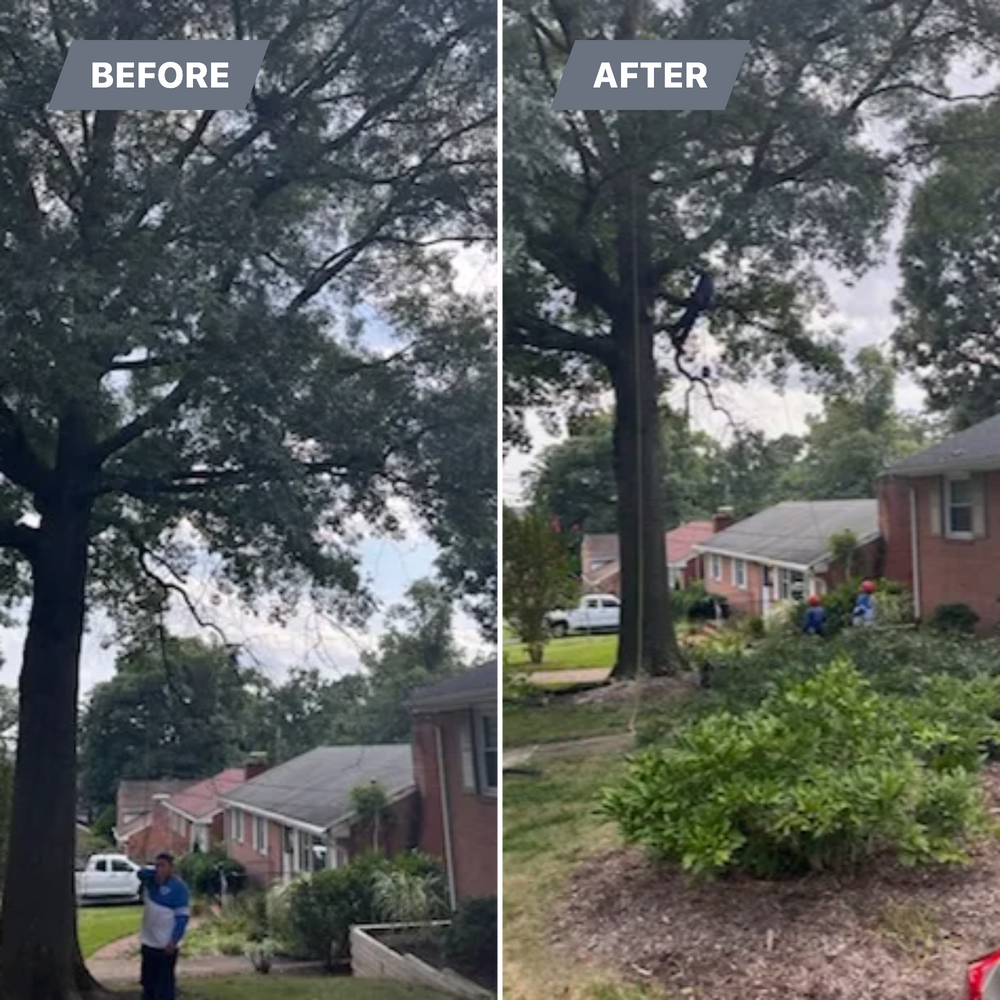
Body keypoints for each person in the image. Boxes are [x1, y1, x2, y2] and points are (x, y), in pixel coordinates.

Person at [138, 852, 191, 1000]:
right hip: (148, 943)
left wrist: (173, 941)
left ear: (171, 868)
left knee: (164, 985)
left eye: (163, 866)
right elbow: (140, 873)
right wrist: (154, 875)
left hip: (165, 945)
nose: (159, 869)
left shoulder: (179, 888)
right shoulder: (150, 881)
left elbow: (182, 917)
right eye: (157, 865)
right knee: (148, 983)